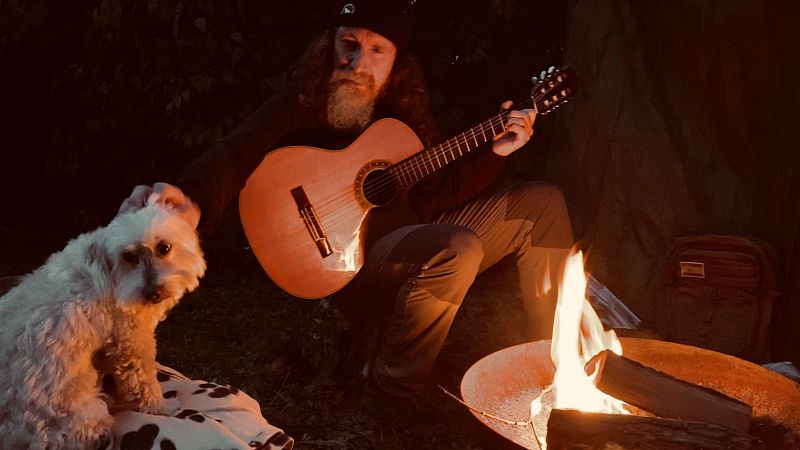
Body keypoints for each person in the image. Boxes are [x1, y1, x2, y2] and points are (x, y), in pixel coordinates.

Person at [119, 0, 574, 436]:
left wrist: (496, 152)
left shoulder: (403, 114)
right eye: (349, 44)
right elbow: (235, 152)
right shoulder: (300, 102)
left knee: (543, 203)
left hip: (405, 240)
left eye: (378, 50)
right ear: (329, 46)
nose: (358, 61)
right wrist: (194, 198)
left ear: (396, 61)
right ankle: (393, 389)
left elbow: (436, 196)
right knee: (457, 247)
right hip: (346, 266)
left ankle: (558, 362)